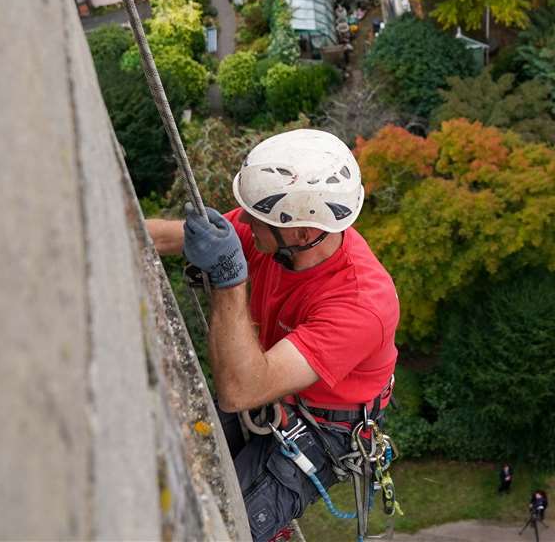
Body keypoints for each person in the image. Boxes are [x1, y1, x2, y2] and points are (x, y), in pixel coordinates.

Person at [147, 129, 400, 542]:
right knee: (169, 459)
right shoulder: (273, 233)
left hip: (323, 425)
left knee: (219, 529)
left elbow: (239, 392)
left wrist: (230, 281)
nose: (243, 221)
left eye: (254, 218)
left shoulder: (362, 304)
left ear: (303, 233)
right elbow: (161, 237)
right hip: (269, 385)